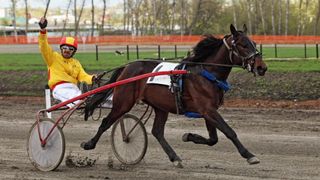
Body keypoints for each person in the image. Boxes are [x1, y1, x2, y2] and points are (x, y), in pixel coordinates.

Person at [38, 17, 96, 107]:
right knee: (78, 99)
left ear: (74, 51)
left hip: (74, 88)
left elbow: (83, 76)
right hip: (59, 88)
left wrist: (93, 78)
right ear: (61, 49)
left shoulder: (76, 63)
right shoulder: (53, 57)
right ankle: (81, 98)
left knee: (92, 98)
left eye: (70, 49)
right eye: (64, 48)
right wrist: (43, 30)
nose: (67, 50)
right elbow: (43, 46)